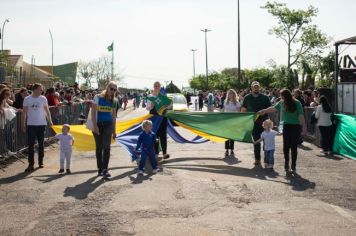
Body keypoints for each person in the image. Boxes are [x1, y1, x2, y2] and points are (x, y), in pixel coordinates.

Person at [258, 89, 306, 172]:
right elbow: (274, 108)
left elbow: (301, 116)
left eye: (282, 96)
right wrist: (264, 111)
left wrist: (304, 128)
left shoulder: (297, 102)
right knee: (286, 146)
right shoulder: (281, 102)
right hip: (286, 126)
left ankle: (293, 165)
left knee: (293, 146)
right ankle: (287, 162)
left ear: (285, 96)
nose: (281, 97)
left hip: (296, 127)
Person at [22, 83, 53, 172]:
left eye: (42, 89)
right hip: (31, 125)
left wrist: (50, 121)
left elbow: (47, 111)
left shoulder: (43, 98)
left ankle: (40, 162)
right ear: (35, 89)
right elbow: (24, 113)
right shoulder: (27, 99)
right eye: (40, 89)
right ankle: (31, 164)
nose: (41, 91)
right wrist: (23, 124)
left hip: (41, 124)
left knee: (41, 145)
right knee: (31, 145)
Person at [91, 81, 118, 179]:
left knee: (107, 146)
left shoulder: (114, 101)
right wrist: (95, 126)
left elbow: (114, 117)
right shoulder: (98, 97)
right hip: (97, 124)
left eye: (115, 90)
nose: (113, 91)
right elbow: (93, 113)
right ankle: (100, 169)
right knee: (99, 147)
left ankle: (105, 169)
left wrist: (114, 131)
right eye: (111, 88)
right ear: (107, 88)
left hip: (108, 125)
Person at [241, 81, 272, 165]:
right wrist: (243, 121)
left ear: (259, 87)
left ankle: (266, 159)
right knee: (256, 141)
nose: (256, 88)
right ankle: (257, 159)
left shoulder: (265, 97)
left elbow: (270, 108)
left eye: (257, 87)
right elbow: (243, 109)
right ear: (251, 88)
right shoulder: (247, 97)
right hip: (253, 123)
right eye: (254, 87)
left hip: (265, 123)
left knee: (266, 141)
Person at [146, 81, 171, 160]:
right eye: (155, 86)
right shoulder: (150, 96)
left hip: (163, 118)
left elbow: (170, 106)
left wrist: (167, 105)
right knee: (155, 135)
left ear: (160, 87)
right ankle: (156, 153)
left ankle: (164, 153)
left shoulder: (163, 96)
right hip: (153, 118)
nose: (156, 87)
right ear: (153, 87)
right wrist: (151, 105)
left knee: (163, 135)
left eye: (158, 86)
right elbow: (147, 108)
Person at [222, 89, 241, 157]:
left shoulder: (237, 102)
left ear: (234, 94)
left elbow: (239, 113)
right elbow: (223, 110)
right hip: (226, 121)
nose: (230, 94)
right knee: (226, 136)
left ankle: (232, 149)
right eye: (229, 93)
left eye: (231, 93)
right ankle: (226, 150)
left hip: (233, 121)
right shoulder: (226, 101)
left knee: (232, 136)